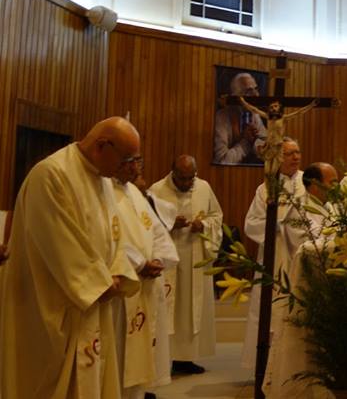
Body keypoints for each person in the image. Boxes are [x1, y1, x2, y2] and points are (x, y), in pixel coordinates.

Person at [0, 117, 142, 398]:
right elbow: (60, 245)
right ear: (102, 146)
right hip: (55, 306)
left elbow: (114, 235)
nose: (127, 168)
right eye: (125, 159)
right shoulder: (52, 175)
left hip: (92, 304)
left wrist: (118, 274)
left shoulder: (101, 177)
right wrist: (102, 284)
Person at [241, 138, 323, 369]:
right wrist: (277, 224)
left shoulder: (309, 182)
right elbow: (251, 223)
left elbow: (319, 215)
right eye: (289, 153)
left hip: (303, 254)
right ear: (278, 157)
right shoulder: (266, 187)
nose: (296, 157)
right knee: (271, 311)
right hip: (274, 256)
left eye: (298, 152)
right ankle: (266, 365)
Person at [111, 157, 178, 399]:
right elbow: (106, 236)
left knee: (143, 346)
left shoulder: (135, 194)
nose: (136, 167)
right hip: (122, 285)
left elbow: (158, 232)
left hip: (147, 283)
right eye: (129, 160)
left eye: (138, 161)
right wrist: (139, 263)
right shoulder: (103, 190)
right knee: (118, 355)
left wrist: (160, 259)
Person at [150, 155, 223, 374]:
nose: (186, 183)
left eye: (190, 178)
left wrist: (205, 226)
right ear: (172, 172)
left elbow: (216, 216)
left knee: (190, 309)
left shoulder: (203, 187)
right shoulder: (157, 190)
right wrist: (170, 224)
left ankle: (186, 358)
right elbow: (147, 223)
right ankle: (166, 359)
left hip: (195, 256)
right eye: (182, 178)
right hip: (168, 259)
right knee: (170, 309)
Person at [213, 72, 267, 164]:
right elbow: (223, 161)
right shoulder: (222, 118)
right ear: (235, 96)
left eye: (256, 89)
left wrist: (253, 141)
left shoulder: (254, 115)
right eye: (249, 91)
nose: (256, 95)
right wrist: (245, 141)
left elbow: (267, 153)